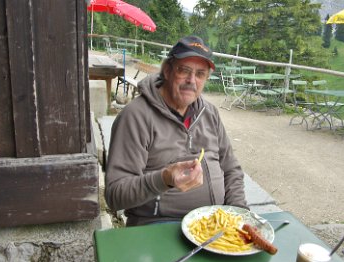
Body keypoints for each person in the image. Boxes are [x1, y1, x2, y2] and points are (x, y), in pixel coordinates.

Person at [105, 36, 248, 226]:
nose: (192, 80)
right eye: (184, 70)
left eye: (200, 74)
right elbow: (115, 195)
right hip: (158, 225)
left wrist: (240, 214)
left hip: (215, 224)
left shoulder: (210, 113)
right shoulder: (136, 117)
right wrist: (164, 179)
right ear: (167, 70)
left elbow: (231, 170)